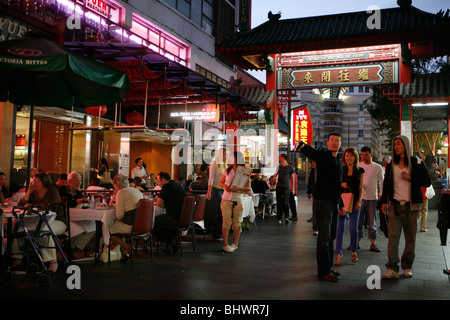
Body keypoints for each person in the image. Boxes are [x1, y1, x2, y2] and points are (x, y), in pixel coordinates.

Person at [295, 133, 346, 282]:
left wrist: (341, 204)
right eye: (332, 140)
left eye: (338, 141)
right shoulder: (323, 156)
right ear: (327, 143)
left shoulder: (338, 161)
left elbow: (338, 186)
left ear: (340, 144)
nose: (335, 143)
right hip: (323, 203)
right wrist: (301, 143)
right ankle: (323, 271)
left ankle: (328, 268)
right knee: (324, 238)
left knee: (330, 237)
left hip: (334, 203)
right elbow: (309, 151)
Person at [380, 135, 431, 279]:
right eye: (394, 144)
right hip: (395, 206)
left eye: (399, 144)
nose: (396, 146)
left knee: (410, 238)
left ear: (406, 145)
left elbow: (427, 181)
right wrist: (384, 201)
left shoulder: (416, 162)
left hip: (411, 207)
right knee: (393, 238)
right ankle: (392, 268)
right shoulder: (391, 164)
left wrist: (409, 178)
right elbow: (387, 185)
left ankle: (407, 267)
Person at [15, 172, 65, 273]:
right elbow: (20, 205)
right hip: (39, 221)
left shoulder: (52, 191)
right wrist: (29, 191)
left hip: (57, 221)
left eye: (36, 182)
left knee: (44, 230)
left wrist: (31, 207)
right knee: (17, 227)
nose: (34, 184)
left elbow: (49, 208)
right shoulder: (33, 193)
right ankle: (17, 258)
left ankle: (53, 261)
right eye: (33, 182)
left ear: (44, 182)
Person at [335, 148, 365, 265]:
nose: (349, 158)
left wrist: (359, 201)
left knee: (353, 228)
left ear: (355, 157)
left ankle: (353, 251)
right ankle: (338, 253)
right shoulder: (341, 170)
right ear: (344, 157)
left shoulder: (360, 171)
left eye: (351, 156)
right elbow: (338, 185)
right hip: (342, 200)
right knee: (340, 228)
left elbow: (361, 188)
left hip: (355, 199)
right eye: (347, 156)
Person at [219, 151, 251, 253]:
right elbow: (221, 182)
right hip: (226, 199)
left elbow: (248, 188)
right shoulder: (227, 171)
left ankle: (235, 243)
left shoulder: (244, 172)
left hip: (238, 199)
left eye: (233, 158)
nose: (231, 159)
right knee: (226, 223)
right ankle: (225, 244)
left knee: (237, 223)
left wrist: (238, 188)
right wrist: (225, 186)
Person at [109, 174, 143, 261]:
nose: (115, 189)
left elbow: (120, 216)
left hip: (130, 225)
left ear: (117, 184)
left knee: (109, 230)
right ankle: (125, 253)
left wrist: (113, 219)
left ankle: (127, 247)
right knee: (118, 227)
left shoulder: (121, 192)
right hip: (140, 225)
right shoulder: (137, 191)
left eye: (114, 187)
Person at [59, 171, 95, 252]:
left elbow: (81, 204)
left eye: (80, 181)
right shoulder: (62, 190)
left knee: (92, 225)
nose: (79, 183)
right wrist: (76, 201)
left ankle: (72, 246)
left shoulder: (78, 193)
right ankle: (71, 246)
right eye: (77, 181)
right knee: (84, 226)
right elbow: (62, 203)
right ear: (70, 181)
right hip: (65, 216)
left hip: (78, 216)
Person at [358, 146, 384, 252]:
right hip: (360, 198)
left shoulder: (377, 167)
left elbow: (382, 182)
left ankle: (372, 244)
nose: (364, 157)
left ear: (371, 155)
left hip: (373, 197)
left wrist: (381, 194)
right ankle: (357, 242)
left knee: (372, 222)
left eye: (366, 154)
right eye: (362, 155)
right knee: (358, 222)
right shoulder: (359, 166)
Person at [154, 172, 186, 253]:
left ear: (163, 180)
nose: (158, 184)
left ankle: (171, 240)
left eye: (158, 181)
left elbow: (159, 204)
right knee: (162, 220)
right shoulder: (178, 185)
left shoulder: (166, 186)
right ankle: (172, 241)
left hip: (174, 218)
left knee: (153, 221)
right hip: (183, 217)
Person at [206, 148, 227, 241]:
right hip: (215, 189)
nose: (226, 156)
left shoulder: (225, 165)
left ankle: (219, 233)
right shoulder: (214, 164)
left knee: (223, 210)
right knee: (221, 210)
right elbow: (210, 179)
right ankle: (217, 234)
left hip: (223, 189)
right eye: (225, 154)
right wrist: (209, 191)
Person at [274, 154, 295, 225]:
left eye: (280, 157)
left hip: (286, 187)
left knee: (286, 202)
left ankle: (286, 217)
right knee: (279, 203)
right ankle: (279, 218)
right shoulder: (279, 167)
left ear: (283, 158)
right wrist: (274, 177)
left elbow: (293, 178)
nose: (279, 158)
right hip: (279, 186)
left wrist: (293, 188)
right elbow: (276, 174)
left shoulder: (290, 167)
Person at [306, 161, 319, 235]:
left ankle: (318, 227)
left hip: (323, 193)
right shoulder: (314, 170)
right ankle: (316, 228)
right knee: (316, 210)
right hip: (316, 193)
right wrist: (309, 192)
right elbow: (310, 181)